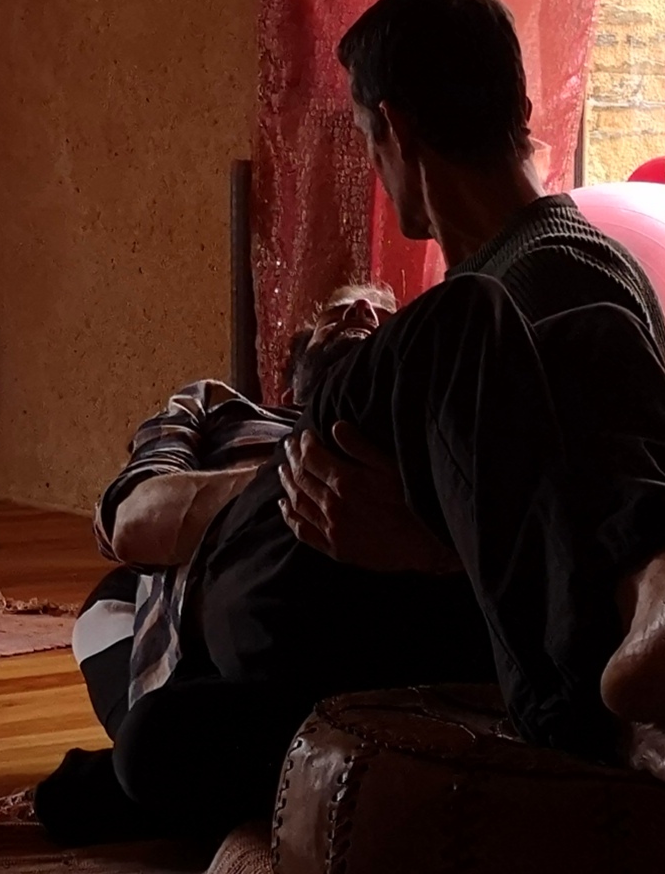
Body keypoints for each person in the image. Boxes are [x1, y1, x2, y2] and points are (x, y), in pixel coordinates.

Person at [48, 0, 665, 846]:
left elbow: (541, 529)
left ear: (396, 128)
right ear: (517, 108)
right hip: (327, 599)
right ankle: (663, 614)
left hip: (347, 610)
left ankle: (611, 690)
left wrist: (422, 545)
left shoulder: (535, 280)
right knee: (157, 737)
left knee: (484, 322)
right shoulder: (554, 283)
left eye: (367, 141)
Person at [34, 285, 398, 844]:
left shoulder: (409, 418)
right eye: (337, 311)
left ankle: (194, 794)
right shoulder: (216, 408)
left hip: (372, 638)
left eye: (384, 314)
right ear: (290, 383)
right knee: (147, 721)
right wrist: (294, 473)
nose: (362, 309)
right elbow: (133, 524)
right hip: (244, 650)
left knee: (147, 751)